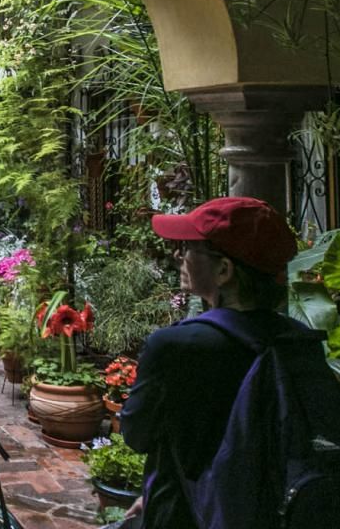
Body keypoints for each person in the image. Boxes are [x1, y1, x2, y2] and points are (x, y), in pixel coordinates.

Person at [119, 196, 303, 528]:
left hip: (187, 514)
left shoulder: (175, 346)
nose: (179, 256)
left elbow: (137, 435)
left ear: (223, 270)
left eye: (189, 248)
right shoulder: (299, 341)